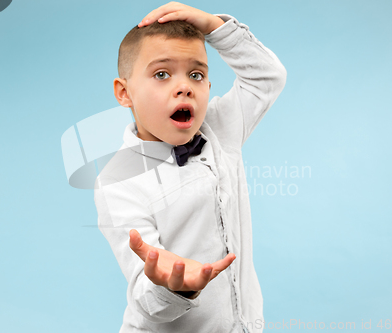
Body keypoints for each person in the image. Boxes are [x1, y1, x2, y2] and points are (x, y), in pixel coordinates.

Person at [94, 2, 287, 332]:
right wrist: (175, 286)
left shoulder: (220, 128)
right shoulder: (117, 181)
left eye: (196, 74)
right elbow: (147, 299)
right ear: (125, 93)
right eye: (162, 74)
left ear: (208, 88)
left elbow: (267, 77)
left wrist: (214, 27)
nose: (184, 86)